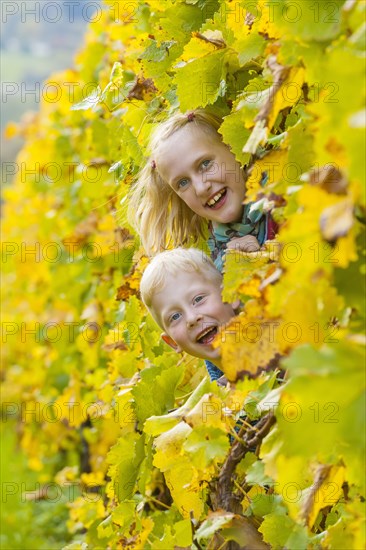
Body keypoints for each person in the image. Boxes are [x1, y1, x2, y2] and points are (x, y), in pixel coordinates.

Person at [128, 109, 276, 272]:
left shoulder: (286, 196)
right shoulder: (214, 266)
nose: (200, 188)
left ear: (233, 148)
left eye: (205, 164)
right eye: (183, 183)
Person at [139, 247, 240, 384]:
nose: (192, 318)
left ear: (231, 294)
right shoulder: (216, 401)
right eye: (175, 316)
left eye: (198, 299)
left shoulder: (277, 355)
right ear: (172, 342)